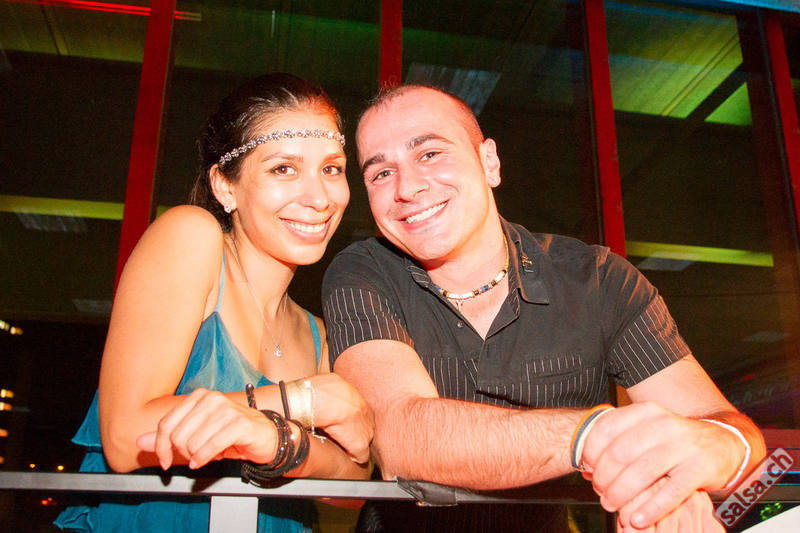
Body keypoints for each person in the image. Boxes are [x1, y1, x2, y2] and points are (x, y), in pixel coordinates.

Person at [321, 85, 766, 532]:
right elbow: (401, 437)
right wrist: (594, 436)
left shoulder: (598, 280)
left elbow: (731, 431)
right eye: (381, 173)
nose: (407, 187)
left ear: (489, 162)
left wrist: (697, 456)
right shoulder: (363, 272)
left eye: (430, 154)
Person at [55, 73, 373, 533]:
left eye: (331, 169)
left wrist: (276, 439)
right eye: (283, 169)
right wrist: (307, 401)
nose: (319, 197)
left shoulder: (317, 333)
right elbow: (125, 438)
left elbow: (355, 485)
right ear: (225, 186)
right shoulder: (191, 237)